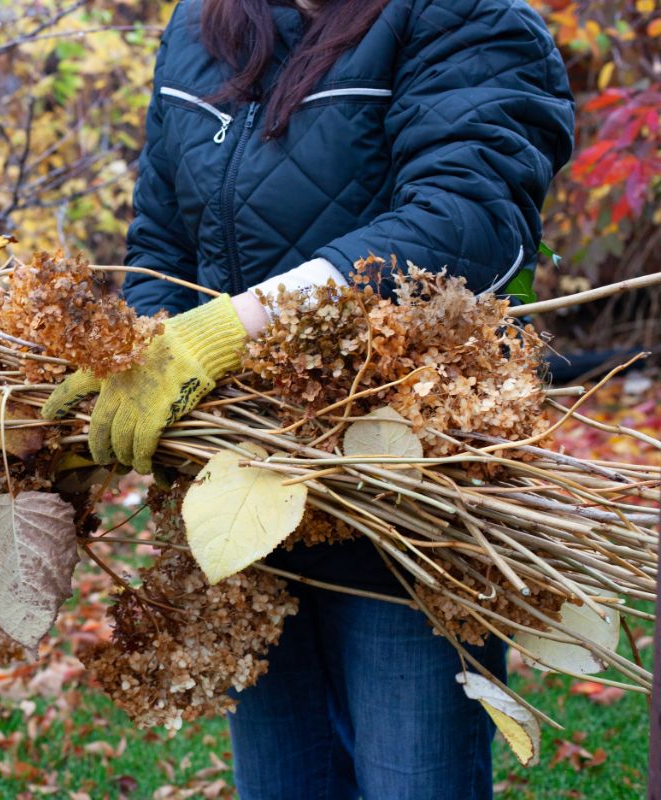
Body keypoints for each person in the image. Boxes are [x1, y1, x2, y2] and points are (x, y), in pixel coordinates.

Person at [42, 0, 575, 797]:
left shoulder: (466, 16)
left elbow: (464, 223)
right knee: (282, 779)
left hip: (402, 486)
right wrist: (146, 350)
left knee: (412, 778)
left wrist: (232, 330)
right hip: (239, 481)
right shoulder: (201, 28)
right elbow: (160, 237)